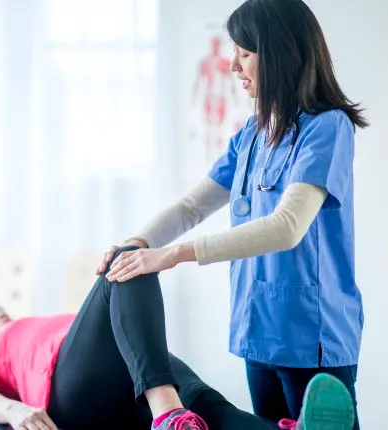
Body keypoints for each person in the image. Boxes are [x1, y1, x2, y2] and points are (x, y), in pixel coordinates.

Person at [99, 1, 367, 428]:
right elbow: (191, 206)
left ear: (280, 53)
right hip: (259, 331)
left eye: (244, 54)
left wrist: (172, 255)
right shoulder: (252, 134)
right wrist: (139, 243)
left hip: (311, 335)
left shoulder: (325, 127)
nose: (232, 65)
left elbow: (288, 226)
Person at [0, 246, 356, 430]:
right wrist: (13, 412)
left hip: (130, 381)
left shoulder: (37, 322)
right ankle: (168, 415)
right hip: (67, 393)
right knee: (126, 261)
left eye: (1, 312)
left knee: (207, 409)